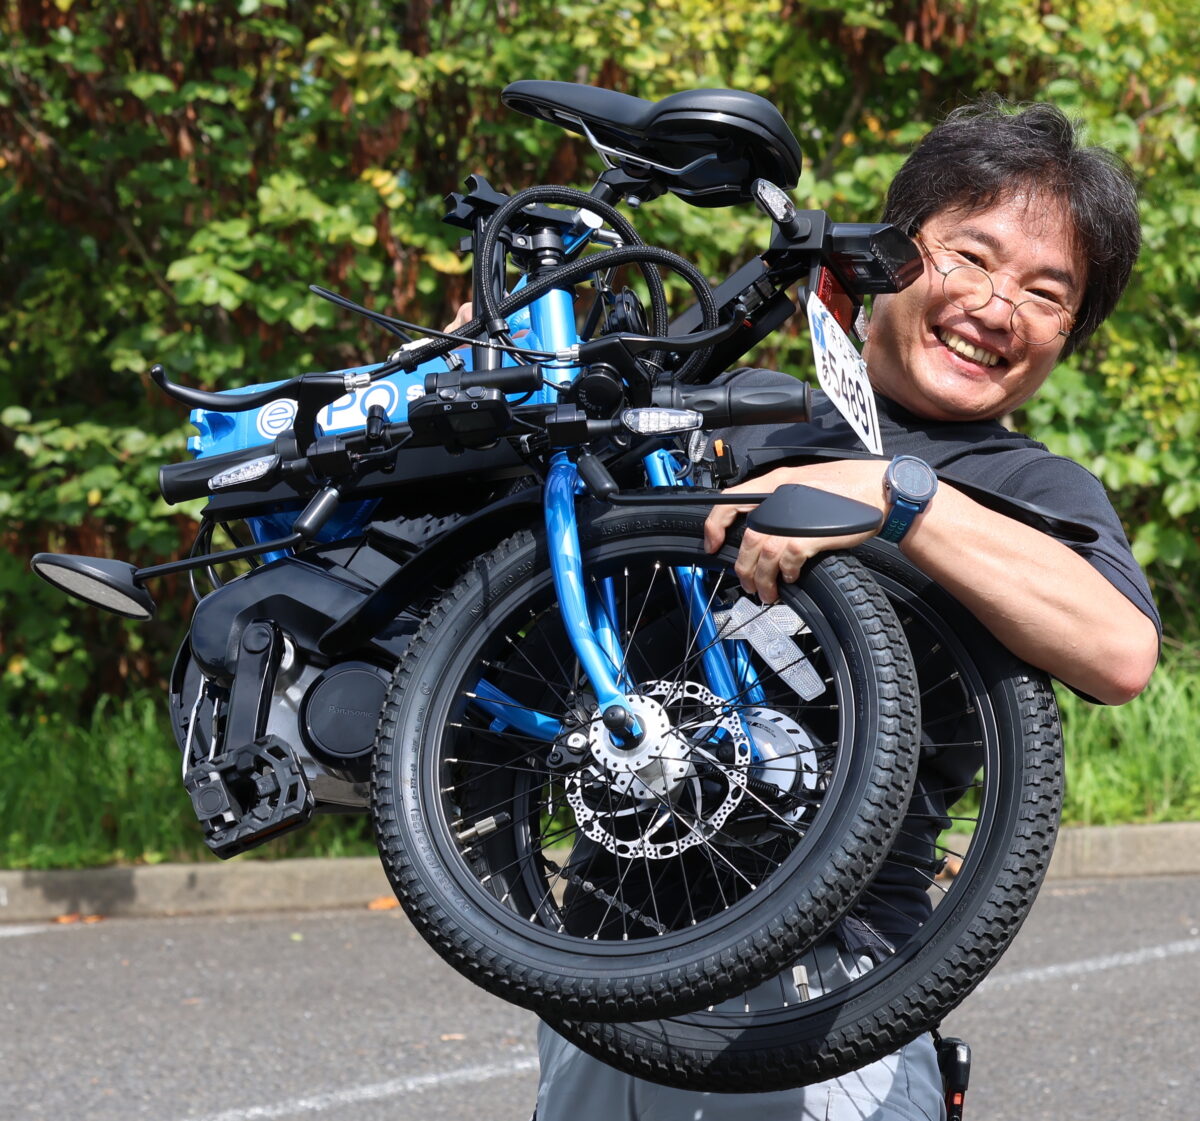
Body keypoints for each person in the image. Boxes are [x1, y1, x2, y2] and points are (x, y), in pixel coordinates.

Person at [531, 95, 1160, 1120]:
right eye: (971, 257)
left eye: (1046, 293)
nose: (997, 306)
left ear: (1066, 335)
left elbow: (1119, 651)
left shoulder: (1035, 489)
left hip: (833, 990)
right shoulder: (734, 417)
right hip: (609, 966)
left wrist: (895, 496)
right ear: (890, 255)